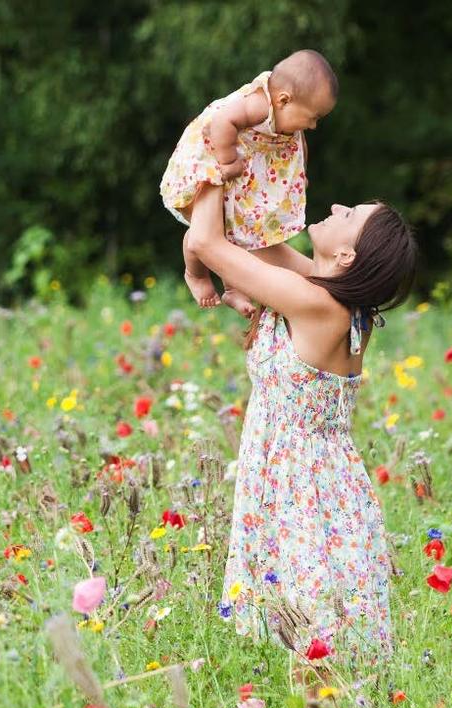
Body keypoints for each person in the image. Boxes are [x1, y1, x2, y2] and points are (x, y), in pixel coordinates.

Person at [184, 183, 417, 667]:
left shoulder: (316, 305)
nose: (335, 206)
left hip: (300, 487)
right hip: (311, 478)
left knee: (314, 631)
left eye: (348, 212)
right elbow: (257, 242)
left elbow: (209, 245)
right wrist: (254, 161)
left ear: (347, 253)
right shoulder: (334, 297)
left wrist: (205, 171)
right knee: (313, 628)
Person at [160, 50, 338, 319]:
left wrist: (300, 174)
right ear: (283, 100)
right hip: (214, 151)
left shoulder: (290, 119)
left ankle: (233, 288)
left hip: (245, 161)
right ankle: (195, 273)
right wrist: (227, 160)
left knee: (239, 227)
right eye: (313, 117)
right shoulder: (257, 104)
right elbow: (222, 121)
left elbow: (298, 144)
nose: (313, 125)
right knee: (206, 232)